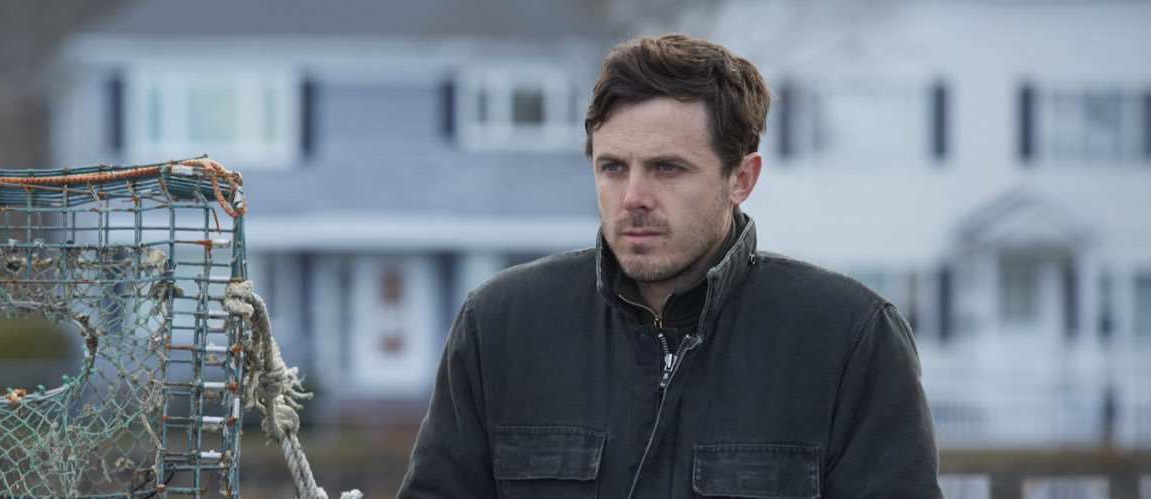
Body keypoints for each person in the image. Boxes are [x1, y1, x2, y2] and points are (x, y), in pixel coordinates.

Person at [398, 34, 941, 498]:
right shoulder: (500, 325)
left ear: (742, 178)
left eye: (667, 168)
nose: (633, 197)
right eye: (613, 167)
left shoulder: (849, 338)